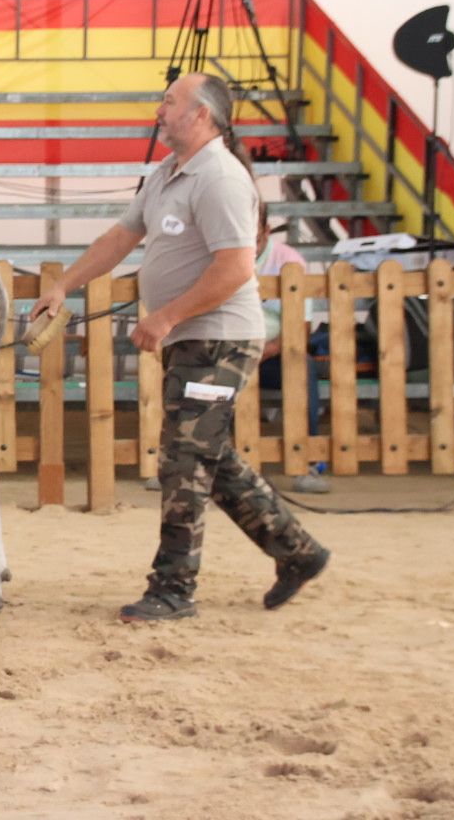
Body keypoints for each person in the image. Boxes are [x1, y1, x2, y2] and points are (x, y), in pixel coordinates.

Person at [30, 72, 330, 623]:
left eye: (169, 102)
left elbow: (236, 268)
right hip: (196, 340)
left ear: (201, 115)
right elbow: (120, 238)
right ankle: (298, 552)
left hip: (220, 340)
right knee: (209, 460)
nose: (159, 111)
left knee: (184, 462)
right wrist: (63, 285)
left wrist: (165, 317)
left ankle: (173, 588)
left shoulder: (219, 177)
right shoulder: (168, 174)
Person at [254, 200, 324, 440]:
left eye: (253, 240)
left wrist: (269, 349)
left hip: (270, 354)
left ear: (266, 230)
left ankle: (307, 454)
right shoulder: (216, 254)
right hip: (225, 349)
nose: (247, 248)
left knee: (301, 365)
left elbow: (299, 330)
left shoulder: (289, 262)